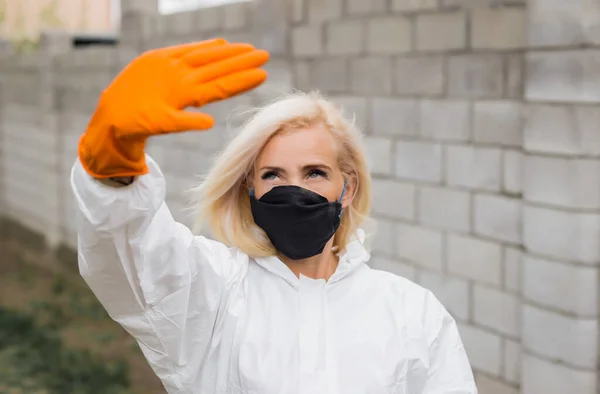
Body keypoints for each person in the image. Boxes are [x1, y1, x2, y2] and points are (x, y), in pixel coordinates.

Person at [71, 38, 478, 394]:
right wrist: (112, 165)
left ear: (347, 188)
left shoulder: (411, 311)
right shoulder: (215, 291)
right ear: (251, 190)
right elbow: (129, 256)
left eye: (315, 172)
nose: (294, 190)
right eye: (273, 175)